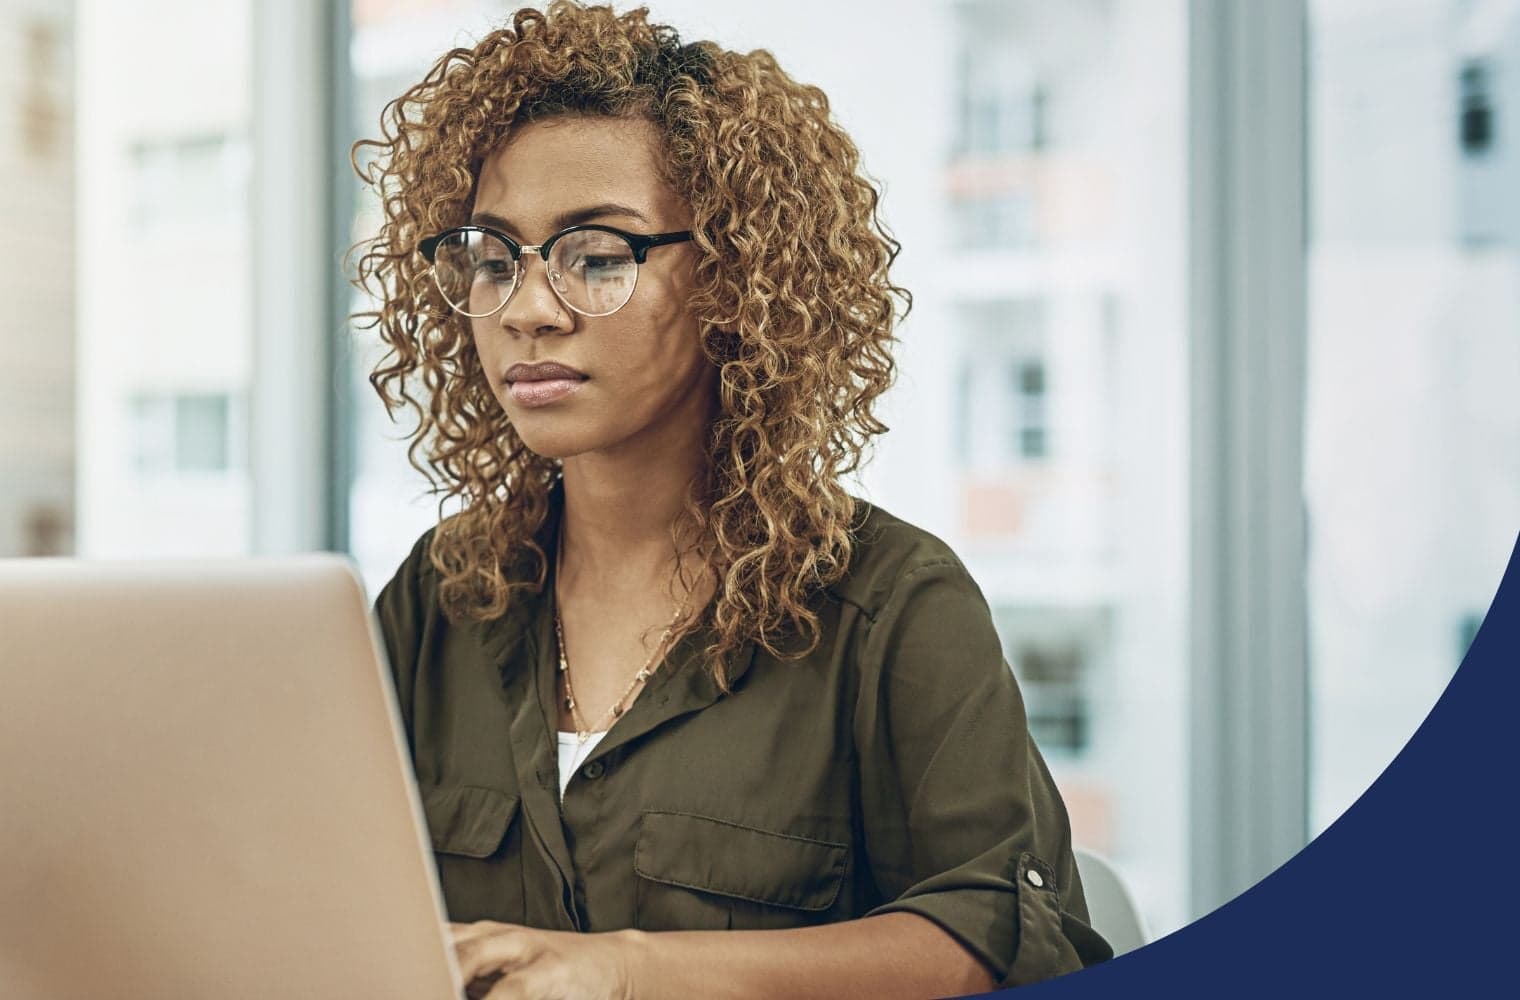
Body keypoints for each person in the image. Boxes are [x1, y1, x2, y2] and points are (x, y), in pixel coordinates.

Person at [354, 4, 1112, 997]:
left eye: (595, 256)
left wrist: (630, 971)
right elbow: (326, 889)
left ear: (732, 279)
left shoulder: (891, 605)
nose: (527, 309)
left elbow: (1004, 937)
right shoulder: (442, 596)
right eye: (493, 258)